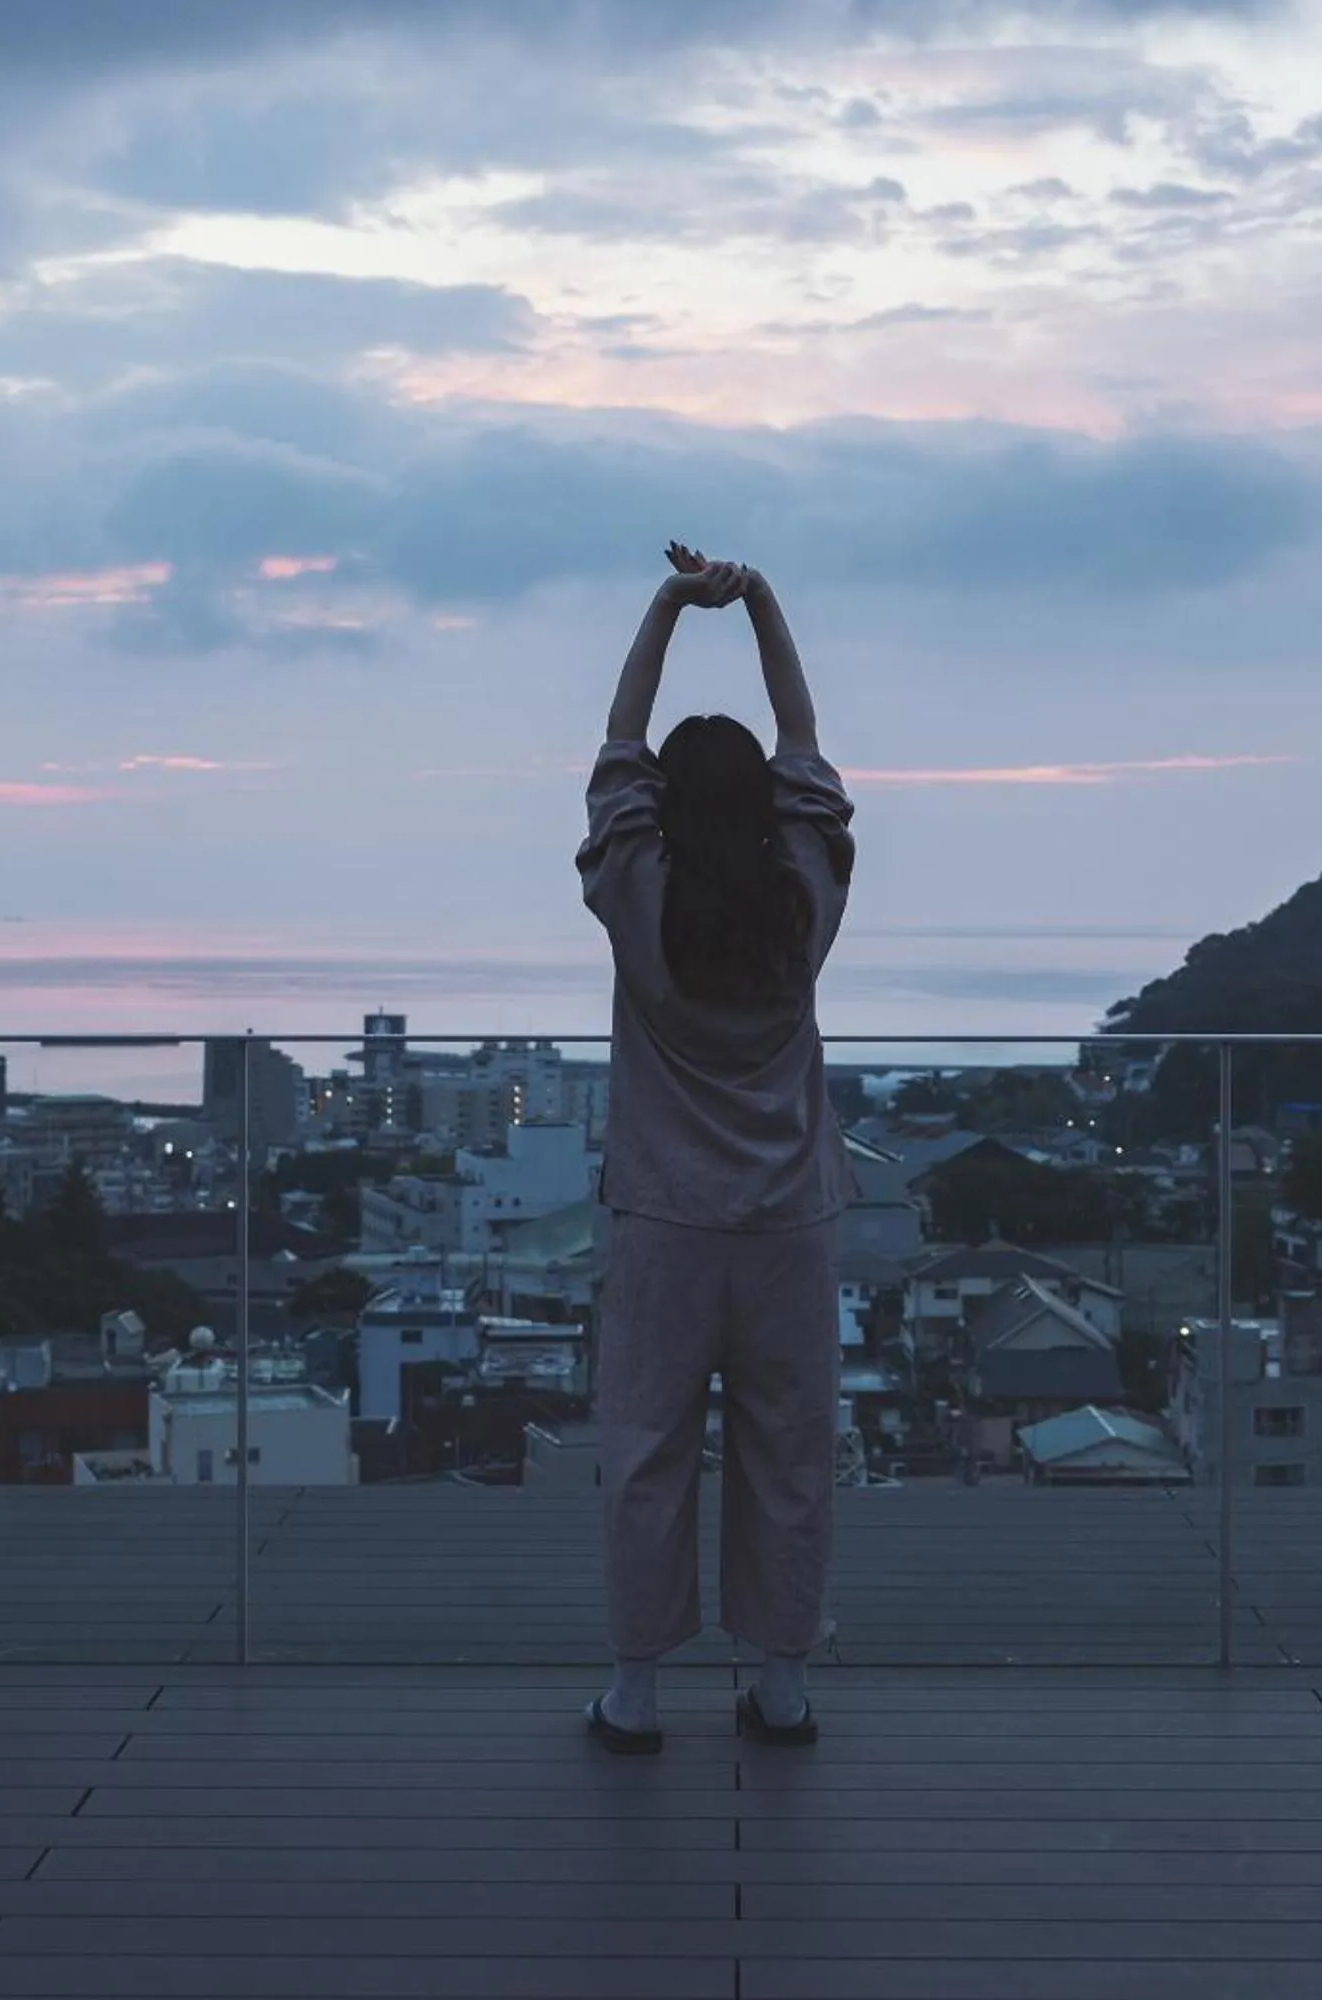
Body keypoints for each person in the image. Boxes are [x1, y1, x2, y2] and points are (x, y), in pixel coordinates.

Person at [575, 543, 859, 1754]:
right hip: (790, 1216)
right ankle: (781, 1684)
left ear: (666, 811)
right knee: (787, 1450)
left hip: (664, 1220)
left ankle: (636, 1693)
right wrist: (763, 603)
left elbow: (618, 750)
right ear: (766, 809)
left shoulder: (637, 888)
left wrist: (664, 608)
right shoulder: (806, 889)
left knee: (648, 1452)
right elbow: (805, 742)